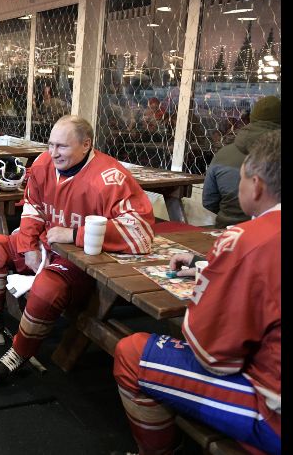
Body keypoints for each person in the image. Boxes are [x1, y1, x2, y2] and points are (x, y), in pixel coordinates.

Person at [113, 131, 280, 455]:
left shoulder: (245, 239)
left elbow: (211, 354)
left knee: (132, 352)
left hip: (273, 417)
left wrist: (218, 280)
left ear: (256, 185)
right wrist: (211, 267)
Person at [0, 115, 155, 384]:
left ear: (86, 145)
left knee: (47, 289)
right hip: (43, 244)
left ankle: (21, 351)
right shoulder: (43, 163)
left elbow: (140, 232)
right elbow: (32, 207)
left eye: (61, 146)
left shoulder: (112, 178)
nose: (53, 152)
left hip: (79, 261)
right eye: (50, 144)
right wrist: (27, 246)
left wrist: (75, 234)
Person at [203, 95, 280, 229]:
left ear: (251, 119)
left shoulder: (223, 154)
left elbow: (209, 201)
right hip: (273, 235)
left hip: (225, 230)